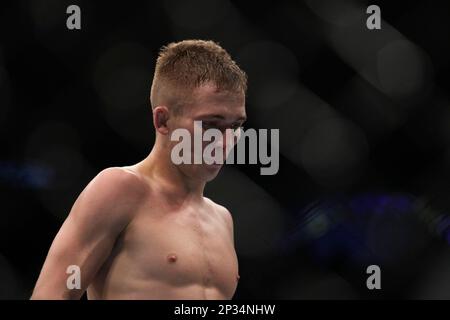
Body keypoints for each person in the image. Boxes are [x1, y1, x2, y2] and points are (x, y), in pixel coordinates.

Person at [31, 39, 247, 299]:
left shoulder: (222, 219)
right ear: (163, 120)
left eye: (235, 127)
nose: (225, 141)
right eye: (211, 124)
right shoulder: (119, 189)